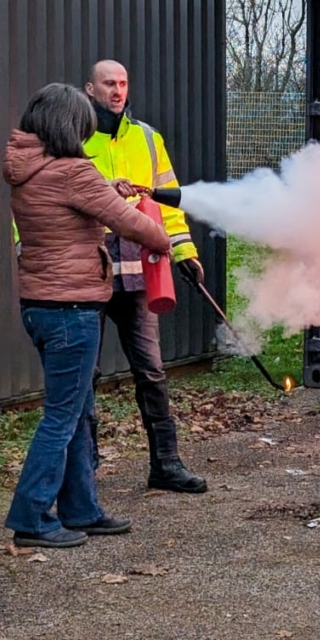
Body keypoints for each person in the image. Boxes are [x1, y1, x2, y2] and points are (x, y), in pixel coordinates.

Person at [4, 83, 172, 548]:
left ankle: (81, 509)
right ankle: (31, 519)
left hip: (40, 305)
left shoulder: (30, 169)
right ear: (70, 126)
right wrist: (164, 241)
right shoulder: (73, 173)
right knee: (61, 417)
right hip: (71, 309)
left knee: (76, 412)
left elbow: (81, 207)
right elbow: (129, 223)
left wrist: (106, 191)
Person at [83, 59, 208, 494]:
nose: (117, 91)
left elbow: (167, 204)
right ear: (90, 89)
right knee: (86, 375)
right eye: (108, 84)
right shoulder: (73, 138)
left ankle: (166, 464)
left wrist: (185, 252)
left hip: (139, 271)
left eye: (122, 83)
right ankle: (86, 471)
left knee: (152, 371)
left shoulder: (148, 139)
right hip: (88, 271)